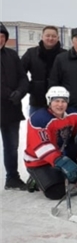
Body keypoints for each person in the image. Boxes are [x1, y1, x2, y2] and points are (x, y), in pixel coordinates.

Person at [24, 86, 77, 199]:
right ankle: (35, 178)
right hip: (40, 160)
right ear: (49, 102)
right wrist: (62, 162)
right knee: (56, 193)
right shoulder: (39, 118)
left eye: (63, 101)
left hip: (61, 152)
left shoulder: (72, 113)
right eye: (56, 101)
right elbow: (42, 146)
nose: (60, 105)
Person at [1, 22, 29, 190]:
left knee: (11, 146)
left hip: (11, 109)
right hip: (6, 101)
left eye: (2, 37)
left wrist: (19, 93)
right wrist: (7, 93)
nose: (0, 39)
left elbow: (23, 78)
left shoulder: (11, 55)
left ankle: (12, 177)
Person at [21, 25, 66, 115]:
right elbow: (20, 72)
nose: (50, 38)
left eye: (53, 36)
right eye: (47, 35)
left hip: (59, 101)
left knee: (57, 127)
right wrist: (30, 87)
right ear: (42, 37)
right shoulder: (31, 53)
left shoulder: (64, 54)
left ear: (58, 38)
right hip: (37, 100)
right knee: (36, 126)